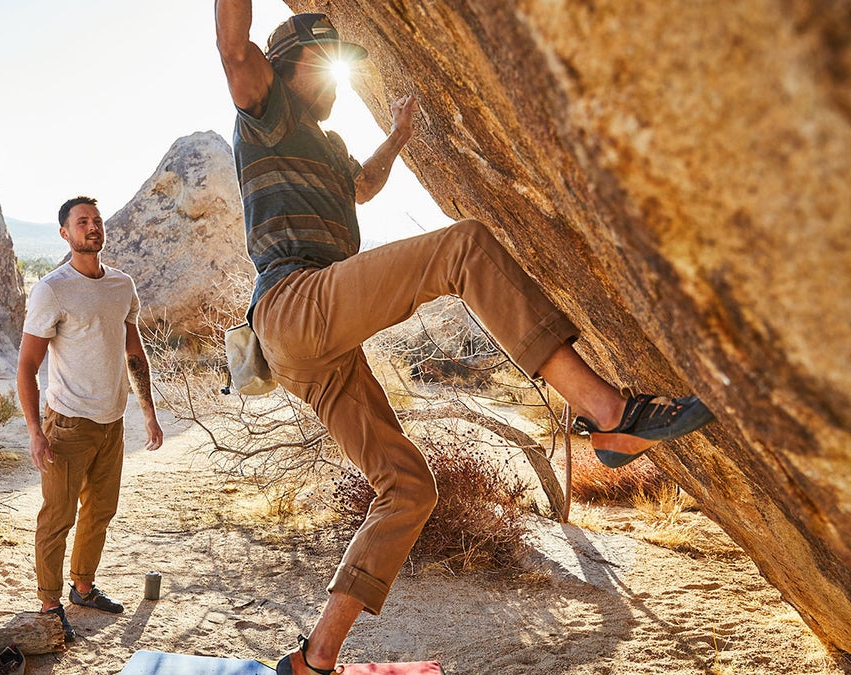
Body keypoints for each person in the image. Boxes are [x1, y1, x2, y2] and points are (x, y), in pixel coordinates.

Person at [214, 5, 715, 673]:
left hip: (314, 346)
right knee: (465, 247)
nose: (342, 75)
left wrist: (396, 137)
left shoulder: (328, 148)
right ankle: (610, 414)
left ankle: (313, 658)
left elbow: (362, 185)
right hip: (293, 304)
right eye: (331, 59)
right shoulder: (265, 107)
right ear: (292, 61)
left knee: (410, 487)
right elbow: (231, 49)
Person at [16, 195, 164, 643]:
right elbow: (26, 366)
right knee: (57, 516)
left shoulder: (122, 285)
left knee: (100, 510)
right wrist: (35, 431)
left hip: (111, 421)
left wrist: (149, 413)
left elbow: (134, 353)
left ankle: (82, 587)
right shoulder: (52, 289)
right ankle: (48, 603)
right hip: (69, 424)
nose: (92, 227)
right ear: (65, 233)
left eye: (96, 220)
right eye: (82, 222)